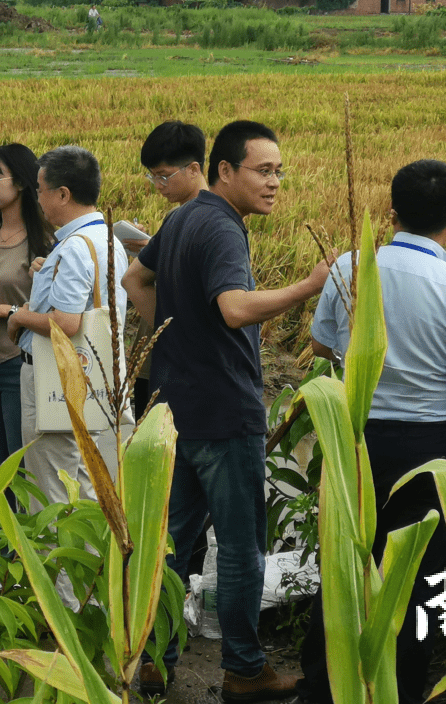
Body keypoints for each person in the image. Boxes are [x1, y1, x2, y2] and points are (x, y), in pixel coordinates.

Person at [122, 120, 330, 700]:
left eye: (279, 171)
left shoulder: (184, 217)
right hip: (223, 413)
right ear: (224, 171)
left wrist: (172, 335)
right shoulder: (221, 228)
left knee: (174, 543)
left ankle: (150, 657)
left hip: (176, 411)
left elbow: (136, 277)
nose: (275, 182)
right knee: (241, 547)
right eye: (264, 171)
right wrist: (309, 285)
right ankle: (242, 667)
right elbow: (236, 309)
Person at [299, 160, 446, 704]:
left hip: (356, 440)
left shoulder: (349, 268)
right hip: (432, 451)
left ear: (391, 212)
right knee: (416, 583)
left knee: (344, 565)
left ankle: (326, 687)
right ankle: (398, 691)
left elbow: (321, 347)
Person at [8, 146, 127, 509]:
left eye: (41, 189)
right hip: (93, 375)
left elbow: (66, 322)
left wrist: (17, 315)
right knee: (84, 485)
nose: (38, 199)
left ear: (63, 194)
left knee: (51, 494)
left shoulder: (74, 247)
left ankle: (54, 568)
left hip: (56, 379)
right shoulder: (108, 239)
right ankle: (91, 564)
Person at [0, 144, 50, 475]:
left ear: (20, 183)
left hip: (19, 360)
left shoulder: (44, 242)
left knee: (20, 466)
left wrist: (3, 310)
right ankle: (1, 528)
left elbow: (51, 310)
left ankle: (25, 528)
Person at [129, 120, 211, 418]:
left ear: (193, 169)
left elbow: (132, 280)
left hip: (168, 365)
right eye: (153, 177)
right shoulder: (184, 218)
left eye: (164, 176)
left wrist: (172, 339)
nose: (158, 186)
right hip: (166, 362)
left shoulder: (205, 221)